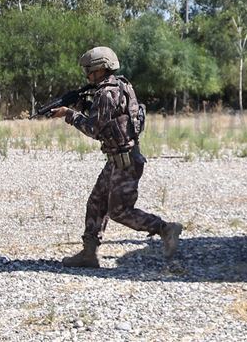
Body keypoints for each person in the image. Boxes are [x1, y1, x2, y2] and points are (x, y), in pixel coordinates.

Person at [50, 46, 182, 268]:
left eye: (89, 70)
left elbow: (93, 129)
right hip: (117, 159)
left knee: (120, 211)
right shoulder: (120, 85)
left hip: (126, 161)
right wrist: (82, 105)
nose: (86, 75)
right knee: (96, 203)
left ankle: (166, 229)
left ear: (100, 68)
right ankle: (89, 254)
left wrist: (70, 114)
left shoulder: (106, 93)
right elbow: (108, 117)